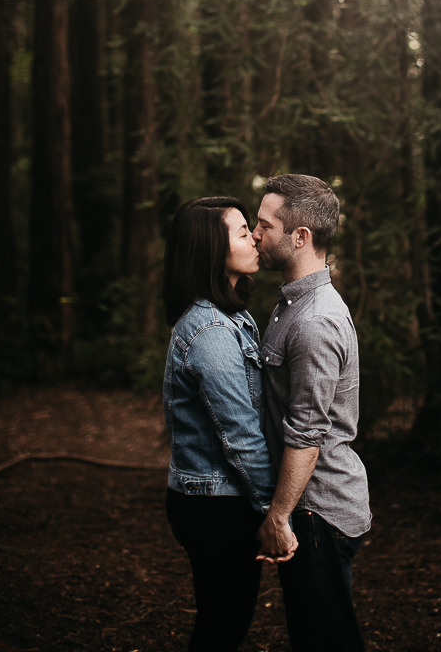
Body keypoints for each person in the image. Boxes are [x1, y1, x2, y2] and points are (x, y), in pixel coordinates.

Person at [162, 196, 297, 652]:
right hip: (215, 505)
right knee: (223, 627)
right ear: (210, 251)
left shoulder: (230, 316)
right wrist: (272, 513)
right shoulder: (213, 333)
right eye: (243, 232)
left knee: (225, 622)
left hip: (215, 499)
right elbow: (240, 438)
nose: (256, 237)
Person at [252, 173, 371, 652]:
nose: (255, 234)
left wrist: (279, 517)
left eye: (265, 226)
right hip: (308, 505)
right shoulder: (291, 305)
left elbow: (306, 432)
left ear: (300, 237)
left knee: (328, 639)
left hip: (316, 510)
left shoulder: (315, 320)